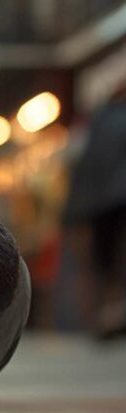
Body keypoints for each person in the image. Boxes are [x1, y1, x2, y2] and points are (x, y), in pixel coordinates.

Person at [65, 91, 126, 340]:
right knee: (112, 259)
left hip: (101, 203)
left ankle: (106, 315)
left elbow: (85, 167)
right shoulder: (106, 120)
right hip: (111, 200)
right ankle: (111, 314)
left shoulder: (98, 121)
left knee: (103, 262)